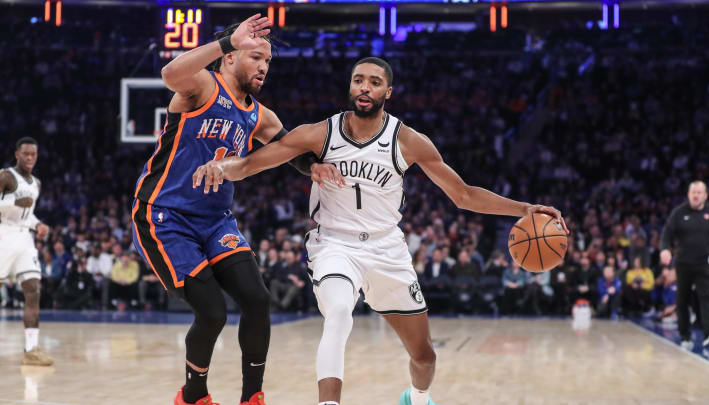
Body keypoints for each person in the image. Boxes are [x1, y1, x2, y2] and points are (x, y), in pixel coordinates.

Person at [193, 56, 568, 405]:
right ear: (350, 87)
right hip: (334, 244)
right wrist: (223, 167)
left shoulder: (407, 141)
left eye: (374, 82)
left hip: (387, 250)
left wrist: (524, 208)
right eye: (358, 80)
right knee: (339, 313)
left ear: (388, 92)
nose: (365, 87)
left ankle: (417, 398)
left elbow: (464, 194)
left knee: (424, 355)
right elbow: (254, 163)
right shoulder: (320, 134)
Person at [131, 15, 338, 405]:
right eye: (256, 56)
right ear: (229, 58)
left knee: (257, 301)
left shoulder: (260, 115)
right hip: (165, 217)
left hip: (216, 221)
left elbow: (288, 148)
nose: (263, 66)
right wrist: (228, 40)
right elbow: (170, 72)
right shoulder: (203, 85)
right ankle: (193, 396)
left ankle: (252, 397)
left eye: (268, 62)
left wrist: (313, 166)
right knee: (211, 313)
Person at [0, 137, 53, 366]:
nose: (30, 158)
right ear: (17, 155)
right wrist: (13, 202)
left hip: (24, 238)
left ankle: (31, 350)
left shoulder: (37, 184)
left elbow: (28, 214)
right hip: (3, 234)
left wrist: (38, 225)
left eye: (34, 154)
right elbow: (15, 207)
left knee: (33, 288)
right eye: (26, 154)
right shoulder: (6, 176)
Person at [660, 181, 709, 349]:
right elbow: (667, 233)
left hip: (706, 263)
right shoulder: (678, 213)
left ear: (705, 195)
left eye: (699, 192)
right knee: (682, 300)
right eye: (693, 192)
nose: (696, 195)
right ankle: (685, 336)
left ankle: (708, 334)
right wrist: (665, 249)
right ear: (688, 195)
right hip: (683, 263)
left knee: (706, 297)